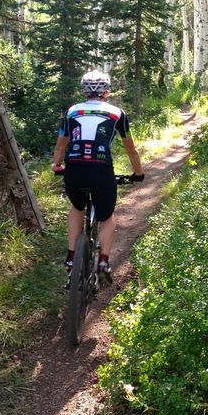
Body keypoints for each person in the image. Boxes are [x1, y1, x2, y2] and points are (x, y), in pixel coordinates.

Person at [51, 70, 144, 284]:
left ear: (84, 91)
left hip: (74, 168)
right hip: (101, 169)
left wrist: (57, 165)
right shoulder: (117, 113)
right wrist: (138, 174)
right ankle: (103, 261)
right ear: (107, 93)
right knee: (107, 215)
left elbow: (61, 144)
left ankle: (72, 256)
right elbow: (131, 150)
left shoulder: (71, 112)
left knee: (77, 207)